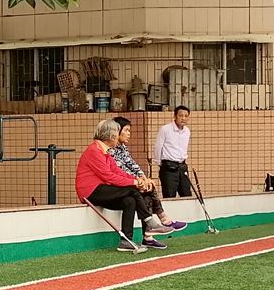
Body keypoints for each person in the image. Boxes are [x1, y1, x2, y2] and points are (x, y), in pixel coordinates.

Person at [78, 118, 164, 252]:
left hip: (100, 190)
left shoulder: (104, 150)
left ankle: (126, 241)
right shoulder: (94, 151)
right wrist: (135, 183)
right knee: (132, 190)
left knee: (129, 201)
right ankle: (149, 221)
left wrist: (137, 179)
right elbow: (109, 176)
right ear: (111, 135)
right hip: (90, 192)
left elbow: (117, 171)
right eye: (118, 133)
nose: (118, 137)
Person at [111, 117, 185, 233]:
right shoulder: (111, 149)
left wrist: (143, 177)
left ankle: (148, 234)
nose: (129, 134)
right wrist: (140, 180)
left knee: (148, 194)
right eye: (126, 130)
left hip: (130, 181)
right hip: (119, 184)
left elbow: (131, 163)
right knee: (148, 188)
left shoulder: (122, 147)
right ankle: (162, 219)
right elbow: (120, 169)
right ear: (116, 131)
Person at [153, 105, 193, 199]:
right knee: (169, 195)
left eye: (186, 116)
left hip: (182, 167)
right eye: (181, 115)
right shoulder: (165, 129)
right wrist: (160, 163)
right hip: (168, 167)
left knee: (186, 194)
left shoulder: (187, 131)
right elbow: (158, 147)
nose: (183, 118)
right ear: (175, 116)